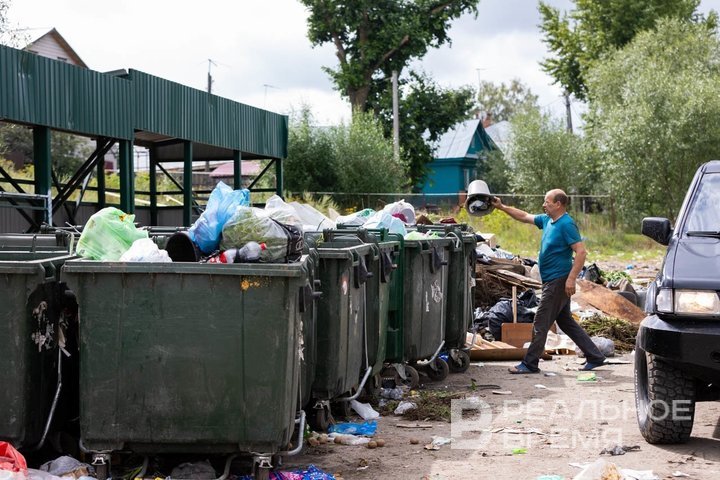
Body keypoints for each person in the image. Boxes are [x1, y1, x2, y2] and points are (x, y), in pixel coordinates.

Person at [491, 189, 606, 373]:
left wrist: (571, 279)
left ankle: (530, 363)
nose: (544, 205)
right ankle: (595, 356)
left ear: (558, 204)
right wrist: (501, 207)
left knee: (540, 321)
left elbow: (581, 252)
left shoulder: (566, 224)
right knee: (566, 321)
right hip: (551, 280)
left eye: (547, 202)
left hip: (558, 281)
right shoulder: (547, 220)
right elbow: (524, 216)